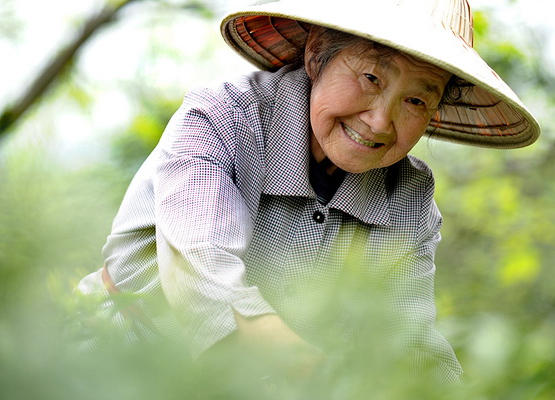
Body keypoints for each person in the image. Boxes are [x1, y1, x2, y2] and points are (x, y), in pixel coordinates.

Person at [76, 0, 540, 384]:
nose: (380, 121)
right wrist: (323, 378)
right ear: (317, 54)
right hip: (111, 365)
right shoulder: (223, 119)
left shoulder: (408, 195)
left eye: (417, 99)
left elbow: (407, 340)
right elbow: (201, 268)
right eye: (372, 78)